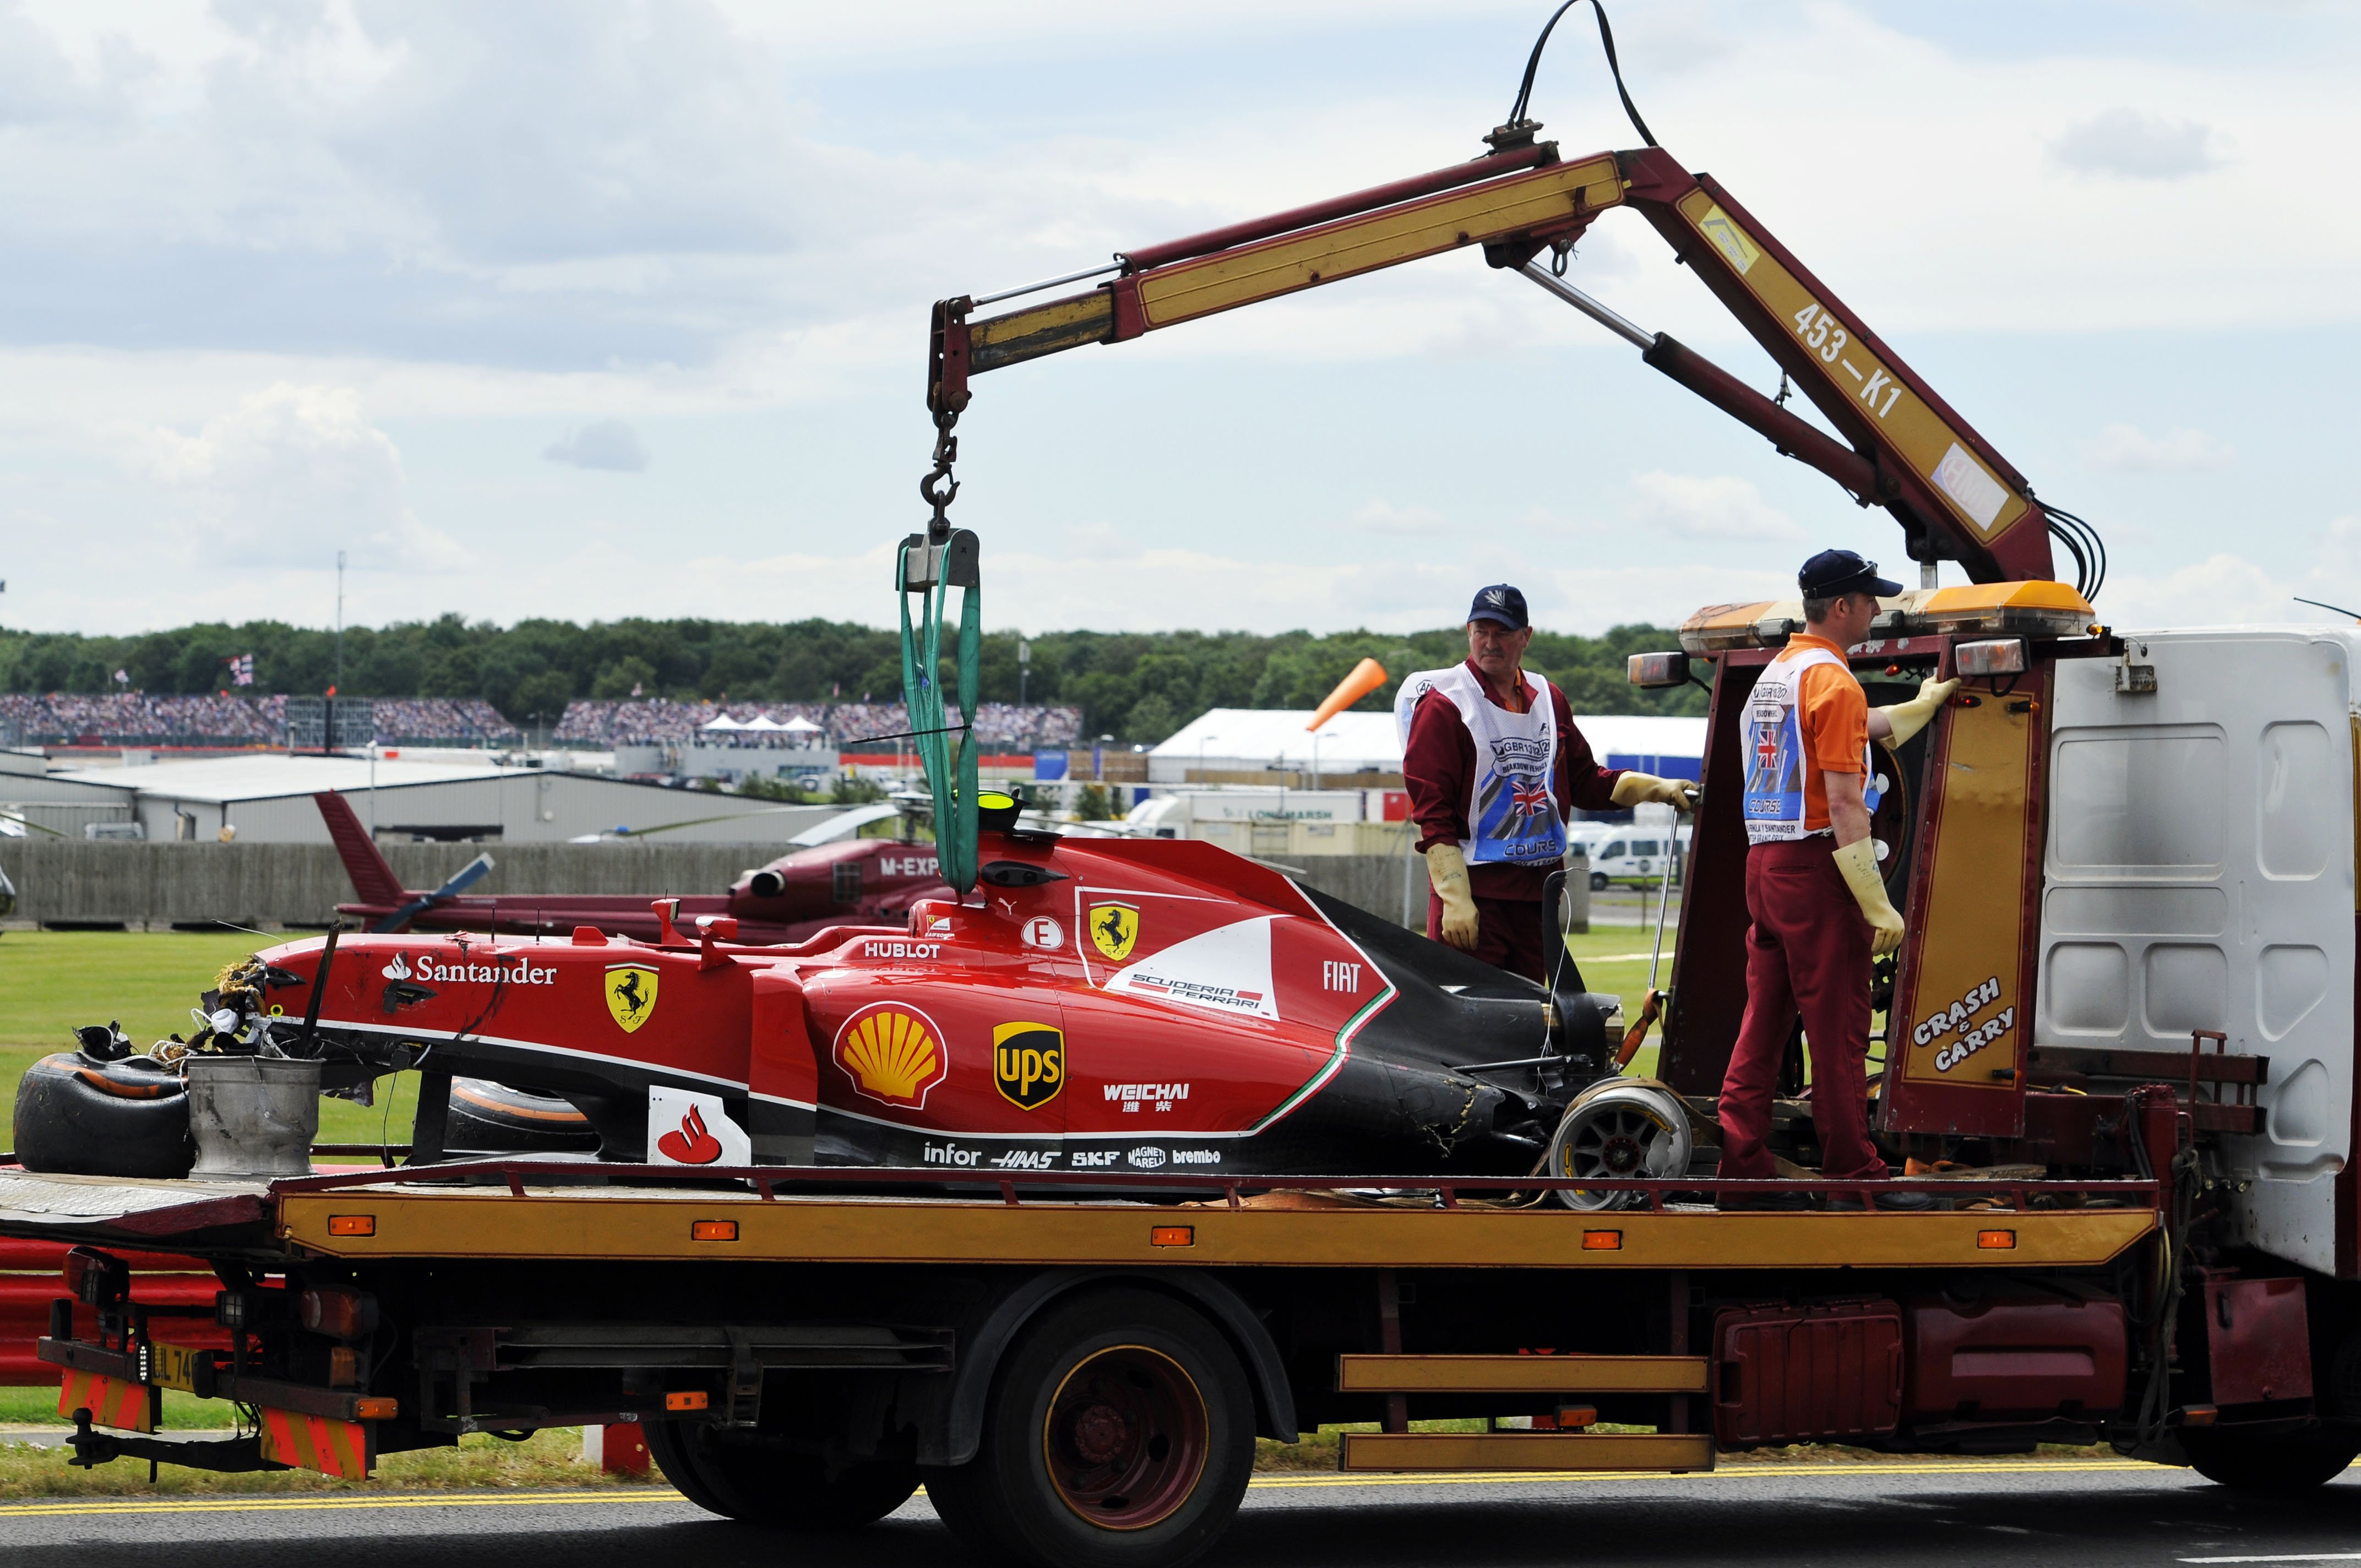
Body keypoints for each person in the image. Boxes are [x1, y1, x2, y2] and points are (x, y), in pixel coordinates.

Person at [1715, 550, 1958, 1211]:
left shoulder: (1781, 672)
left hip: (1763, 863)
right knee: (1840, 1026)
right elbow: (1848, 805)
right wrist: (1878, 905)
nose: (1878, 610)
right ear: (1843, 606)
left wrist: (1919, 705)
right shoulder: (1835, 681)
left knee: (1763, 1020)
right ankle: (1853, 1168)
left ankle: (1742, 1165)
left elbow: (1859, 728)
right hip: (1814, 866)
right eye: (1870, 600)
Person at [1396, 584, 1693, 982]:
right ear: (1468, 631)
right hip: (1476, 899)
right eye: (1480, 631)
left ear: (1526, 637)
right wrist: (1455, 897)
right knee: (1470, 1029)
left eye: (1502, 632)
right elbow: (1433, 814)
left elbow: (1585, 781)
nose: (1489, 643)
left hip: (1538, 899)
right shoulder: (1445, 706)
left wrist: (1657, 789)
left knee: (1536, 1027)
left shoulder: (1550, 700)